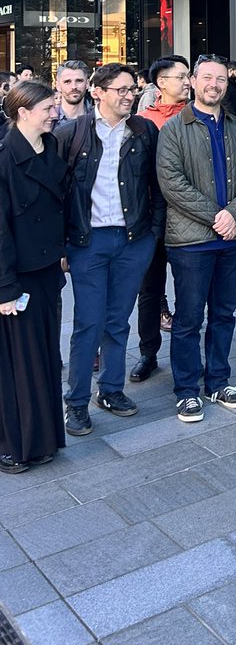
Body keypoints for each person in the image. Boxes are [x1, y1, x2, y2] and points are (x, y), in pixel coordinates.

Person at [56, 64, 165, 437]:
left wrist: (152, 234)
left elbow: (157, 185)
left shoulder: (143, 130)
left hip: (133, 240)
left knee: (119, 320)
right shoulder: (71, 132)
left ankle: (112, 391)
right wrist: (62, 244)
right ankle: (75, 402)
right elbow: (58, 193)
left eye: (131, 89)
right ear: (97, 92)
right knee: (88, 323)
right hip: (88, 242)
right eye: (120, 89)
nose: (128, 95)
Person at [155, 54, 236, 423]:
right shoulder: (173, 128)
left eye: (220, 80)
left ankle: (218, 380)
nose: (214, 85)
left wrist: (233, 214)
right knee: (187, 319)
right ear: (193, 83)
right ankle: (186, 390)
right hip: (192, 242)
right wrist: (217, 216)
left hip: (232, 239)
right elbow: (171, 183)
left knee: (224, 315)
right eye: (207, 78)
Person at [0, 81, 67, 474]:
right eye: (47, 107)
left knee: (43, 358)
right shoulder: (5, 157)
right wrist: (5, 288)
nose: (54, 112)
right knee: (16, 365)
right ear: (23, 113)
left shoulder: (52, 146)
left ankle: (43, 440)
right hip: (16, 278)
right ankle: (14, 445)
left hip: (45, 272)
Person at [129, 55, 191, 383]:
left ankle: (185, 356)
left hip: (188, 218)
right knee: (149, 290)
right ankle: (147, 353)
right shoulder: (140, 120)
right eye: (179, 76)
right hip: (149, 218)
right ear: (160, 83)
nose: (186, 81)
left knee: (188, 290)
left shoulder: (196, 116)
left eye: (187, 76)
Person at [54, 60, 91, 124]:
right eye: (67, 82)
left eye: (79, 81)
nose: (74, 87)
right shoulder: (47, 120)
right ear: (58, 85)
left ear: (87, 84)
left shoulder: (98, 120)